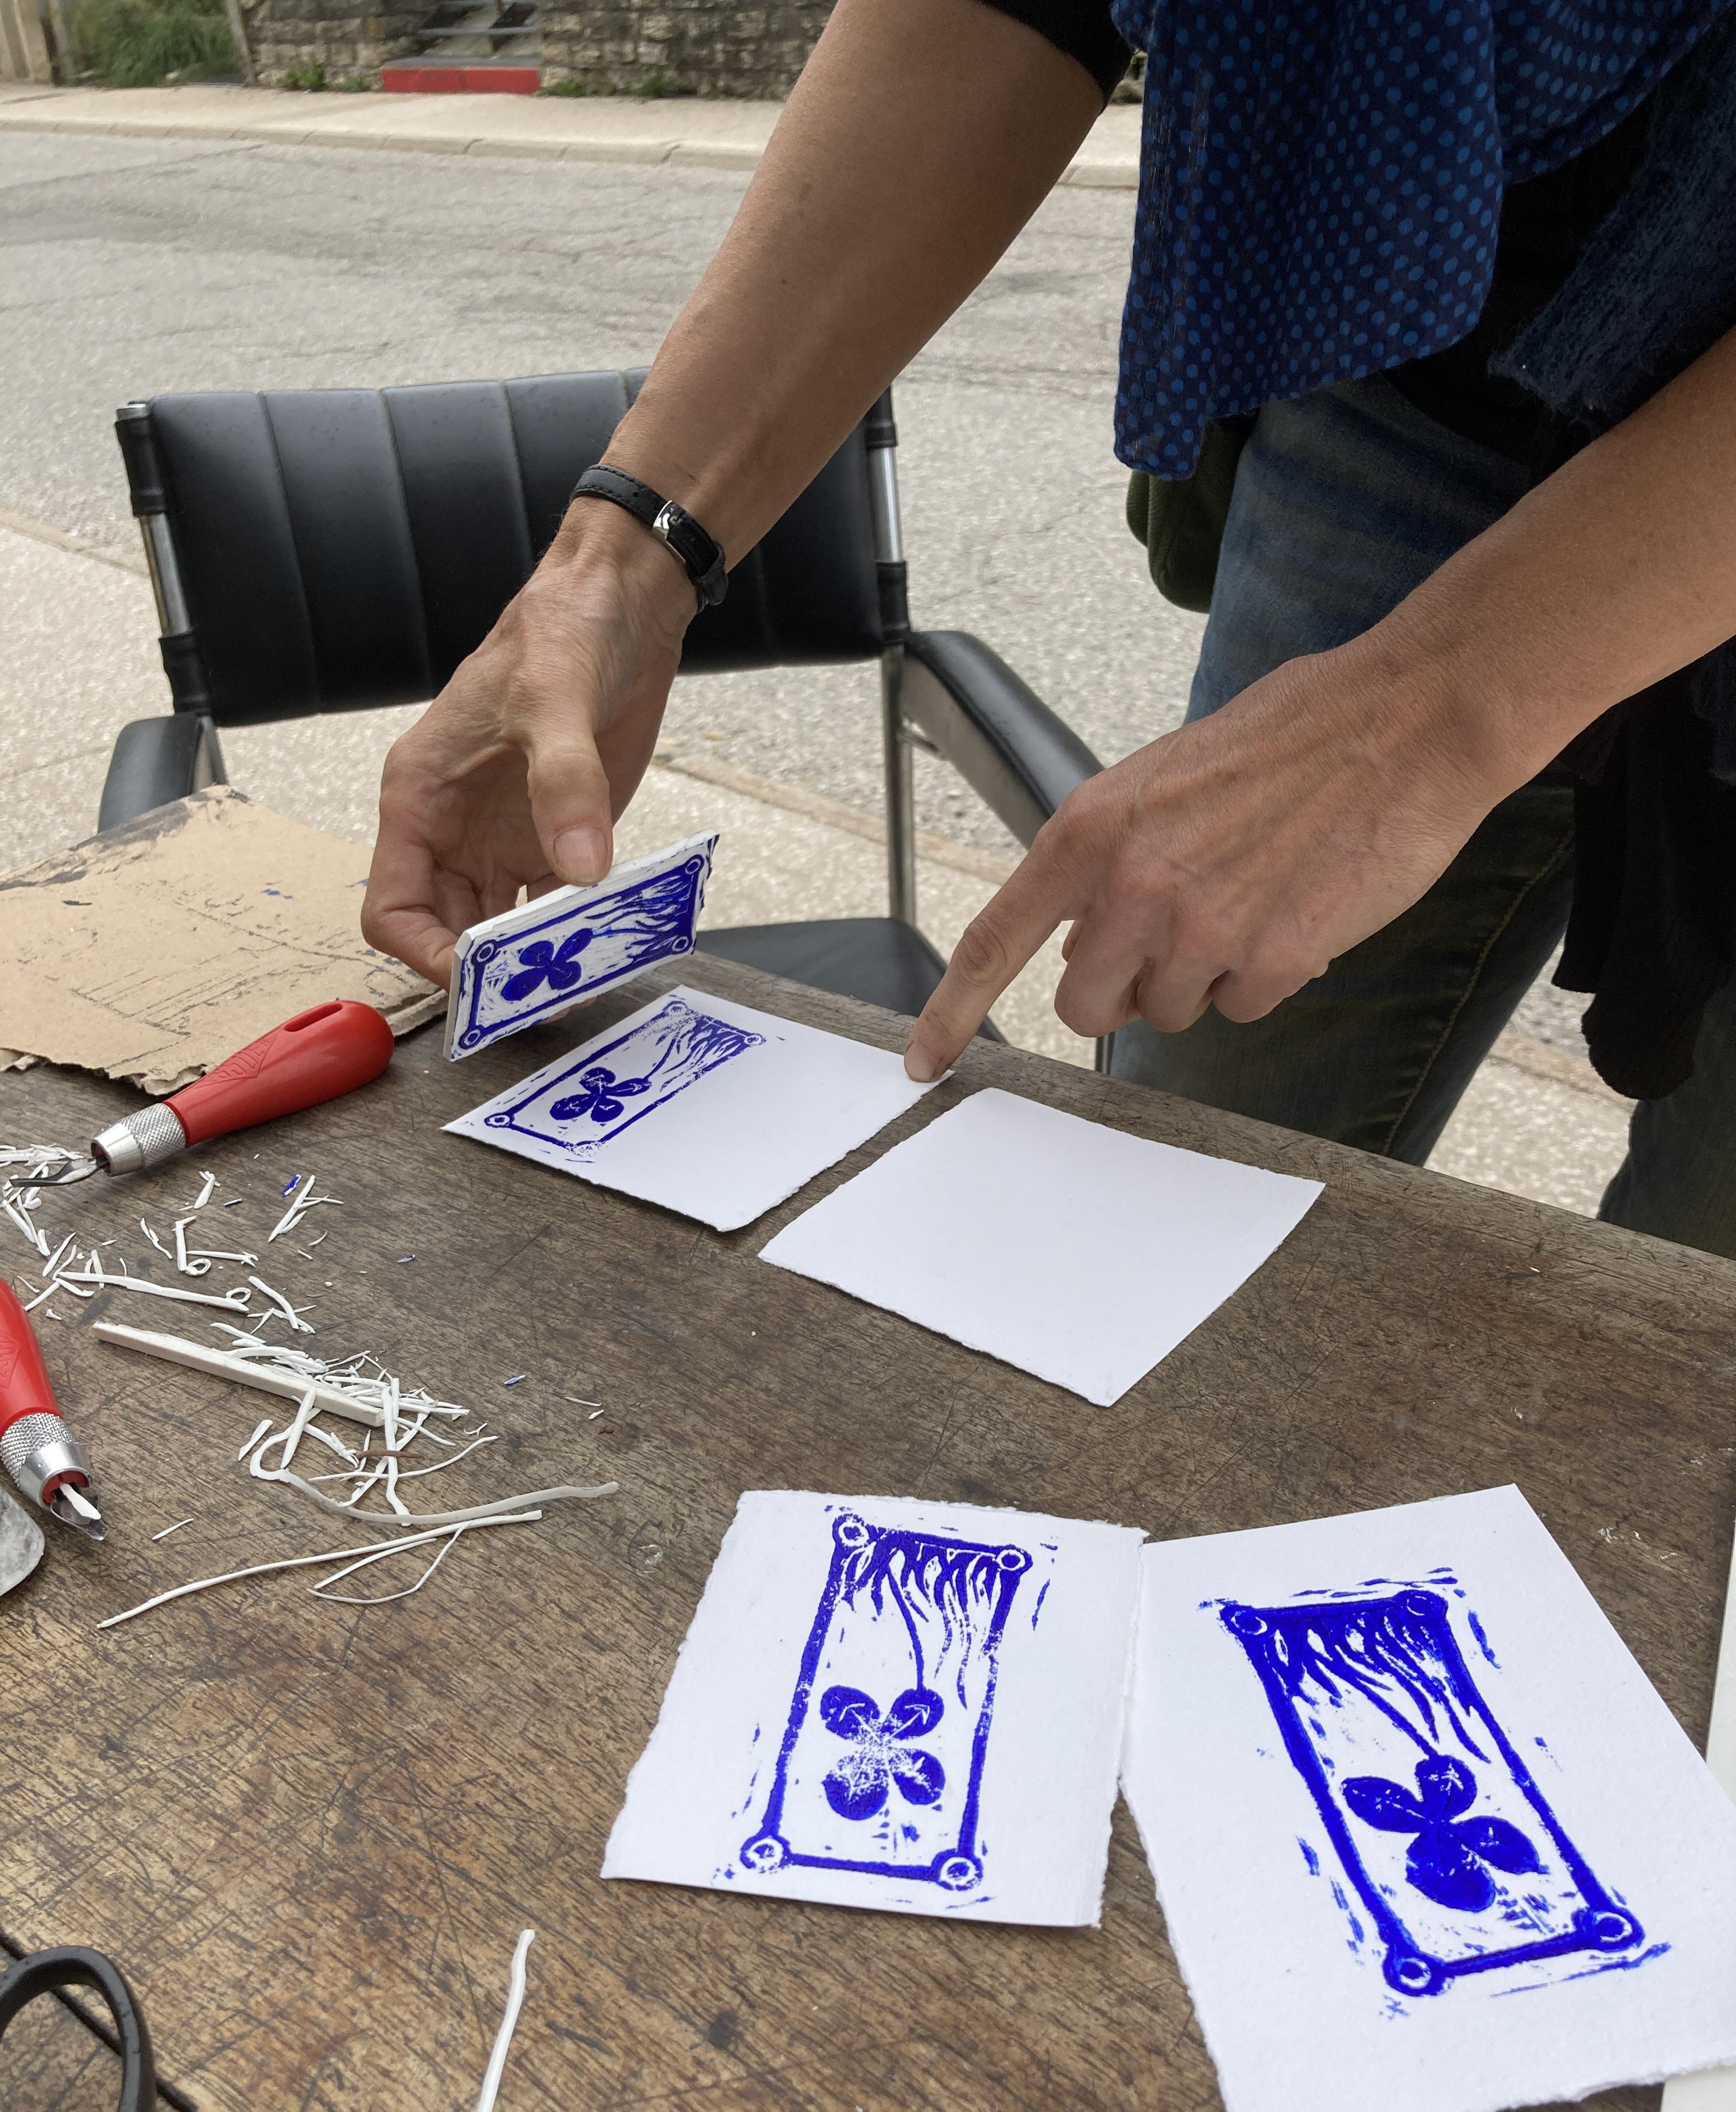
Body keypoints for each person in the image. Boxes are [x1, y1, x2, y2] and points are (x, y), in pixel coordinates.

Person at [362, 0, 1736, 1257]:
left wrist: (1422, 715)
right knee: (1163, 1159)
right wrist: (624, 559)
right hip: (1426, 365)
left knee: (1700, 1270)